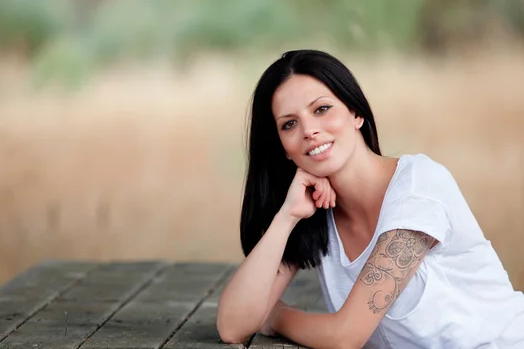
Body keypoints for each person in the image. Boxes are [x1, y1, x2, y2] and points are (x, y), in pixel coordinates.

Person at [216, 49, 524, 348]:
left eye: (321, 109)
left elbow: (345, 337)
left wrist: (278, 317)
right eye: (289, 124)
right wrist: (287, 217)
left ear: (356, 113)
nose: (309, 130)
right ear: (284, 147)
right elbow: (233, 327)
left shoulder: (418, 186)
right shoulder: (315, 213)